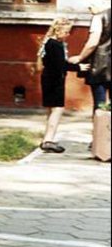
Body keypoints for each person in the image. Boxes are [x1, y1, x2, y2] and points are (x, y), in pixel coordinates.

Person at [67, 0, 111, 113]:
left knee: (100, 105)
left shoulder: (99, 17)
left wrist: (80, 57)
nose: (90, 10)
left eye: (91, 6)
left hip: (101, 66)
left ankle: (100, 124)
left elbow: (93, 42)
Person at [37, 17, 74, 153]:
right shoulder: (56, 45)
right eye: (66, 32)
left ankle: (47, 138)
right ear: (58, 31)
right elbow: (60, 64)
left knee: (51, 109)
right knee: (58, 109)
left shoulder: (48, 42)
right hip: (55, 80)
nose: (68, 35)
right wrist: (77, 67)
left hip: (48, 78)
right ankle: (48, 140)